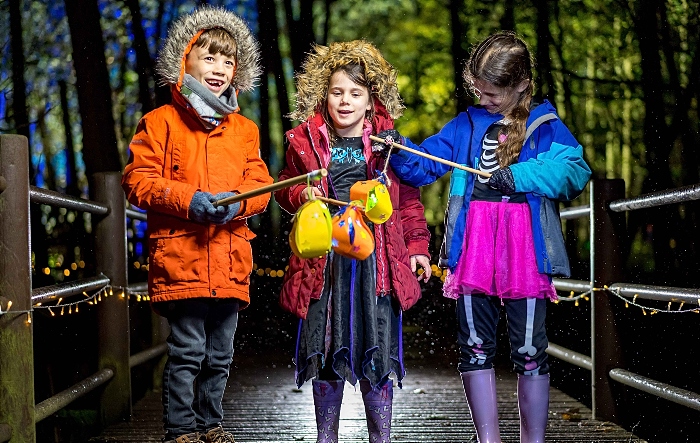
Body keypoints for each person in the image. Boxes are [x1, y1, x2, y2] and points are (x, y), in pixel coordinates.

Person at [378, 31, 592, 443]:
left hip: (525, 252)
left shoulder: (545, 124)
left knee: (530, 351)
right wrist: (399, 147)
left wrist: (521, 175)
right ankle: (487, 439)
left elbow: (575, 171)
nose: (485, 100)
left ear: (522, 86)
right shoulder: (466, 124)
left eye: (493, 94)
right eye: (479, 90)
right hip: (474, 249)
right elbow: (423, 167)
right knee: (474, 347)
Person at [121, 6, 273, 443]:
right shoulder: (159, 122)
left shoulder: (244, 129)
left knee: (220, 354)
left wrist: (238, 204)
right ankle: (181, 429)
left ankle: (211, 424)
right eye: (209, 57)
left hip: (229, 258)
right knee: (187, 351)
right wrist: (189, 201)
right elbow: (138, 180)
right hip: (181, 256)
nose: (220, 68)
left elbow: (260, 183)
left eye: (229, 61)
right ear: (183, 60)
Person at [274, 40, 432, 443]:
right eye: (337, 91)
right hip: (325, 266)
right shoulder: (305, 141)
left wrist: (417, 248)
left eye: (355, 93)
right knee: (326, 349)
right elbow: (282, 189)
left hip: (374, 266)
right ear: (323, 94)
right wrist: (300, 196)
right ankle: (326, 437)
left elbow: (408, 202)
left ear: (370, 99)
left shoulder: (389, 145)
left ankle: (382, 437)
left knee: (374, 348)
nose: (345, 101)